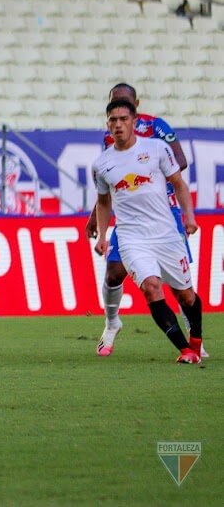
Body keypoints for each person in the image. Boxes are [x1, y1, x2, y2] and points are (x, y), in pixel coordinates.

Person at [83, 83, 205, 357]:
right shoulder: (102, 161)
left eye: (123, 118)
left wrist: (188, 216)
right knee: (146, 286)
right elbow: (105, 199)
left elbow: (179, 176)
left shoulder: (158, 142)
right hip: (130, 234)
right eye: (112, 119)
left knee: (185, 294)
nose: (117, 124)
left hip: (165, 227)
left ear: (135, 116)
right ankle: (183, 350)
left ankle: (195, 337)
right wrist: (101, 233)